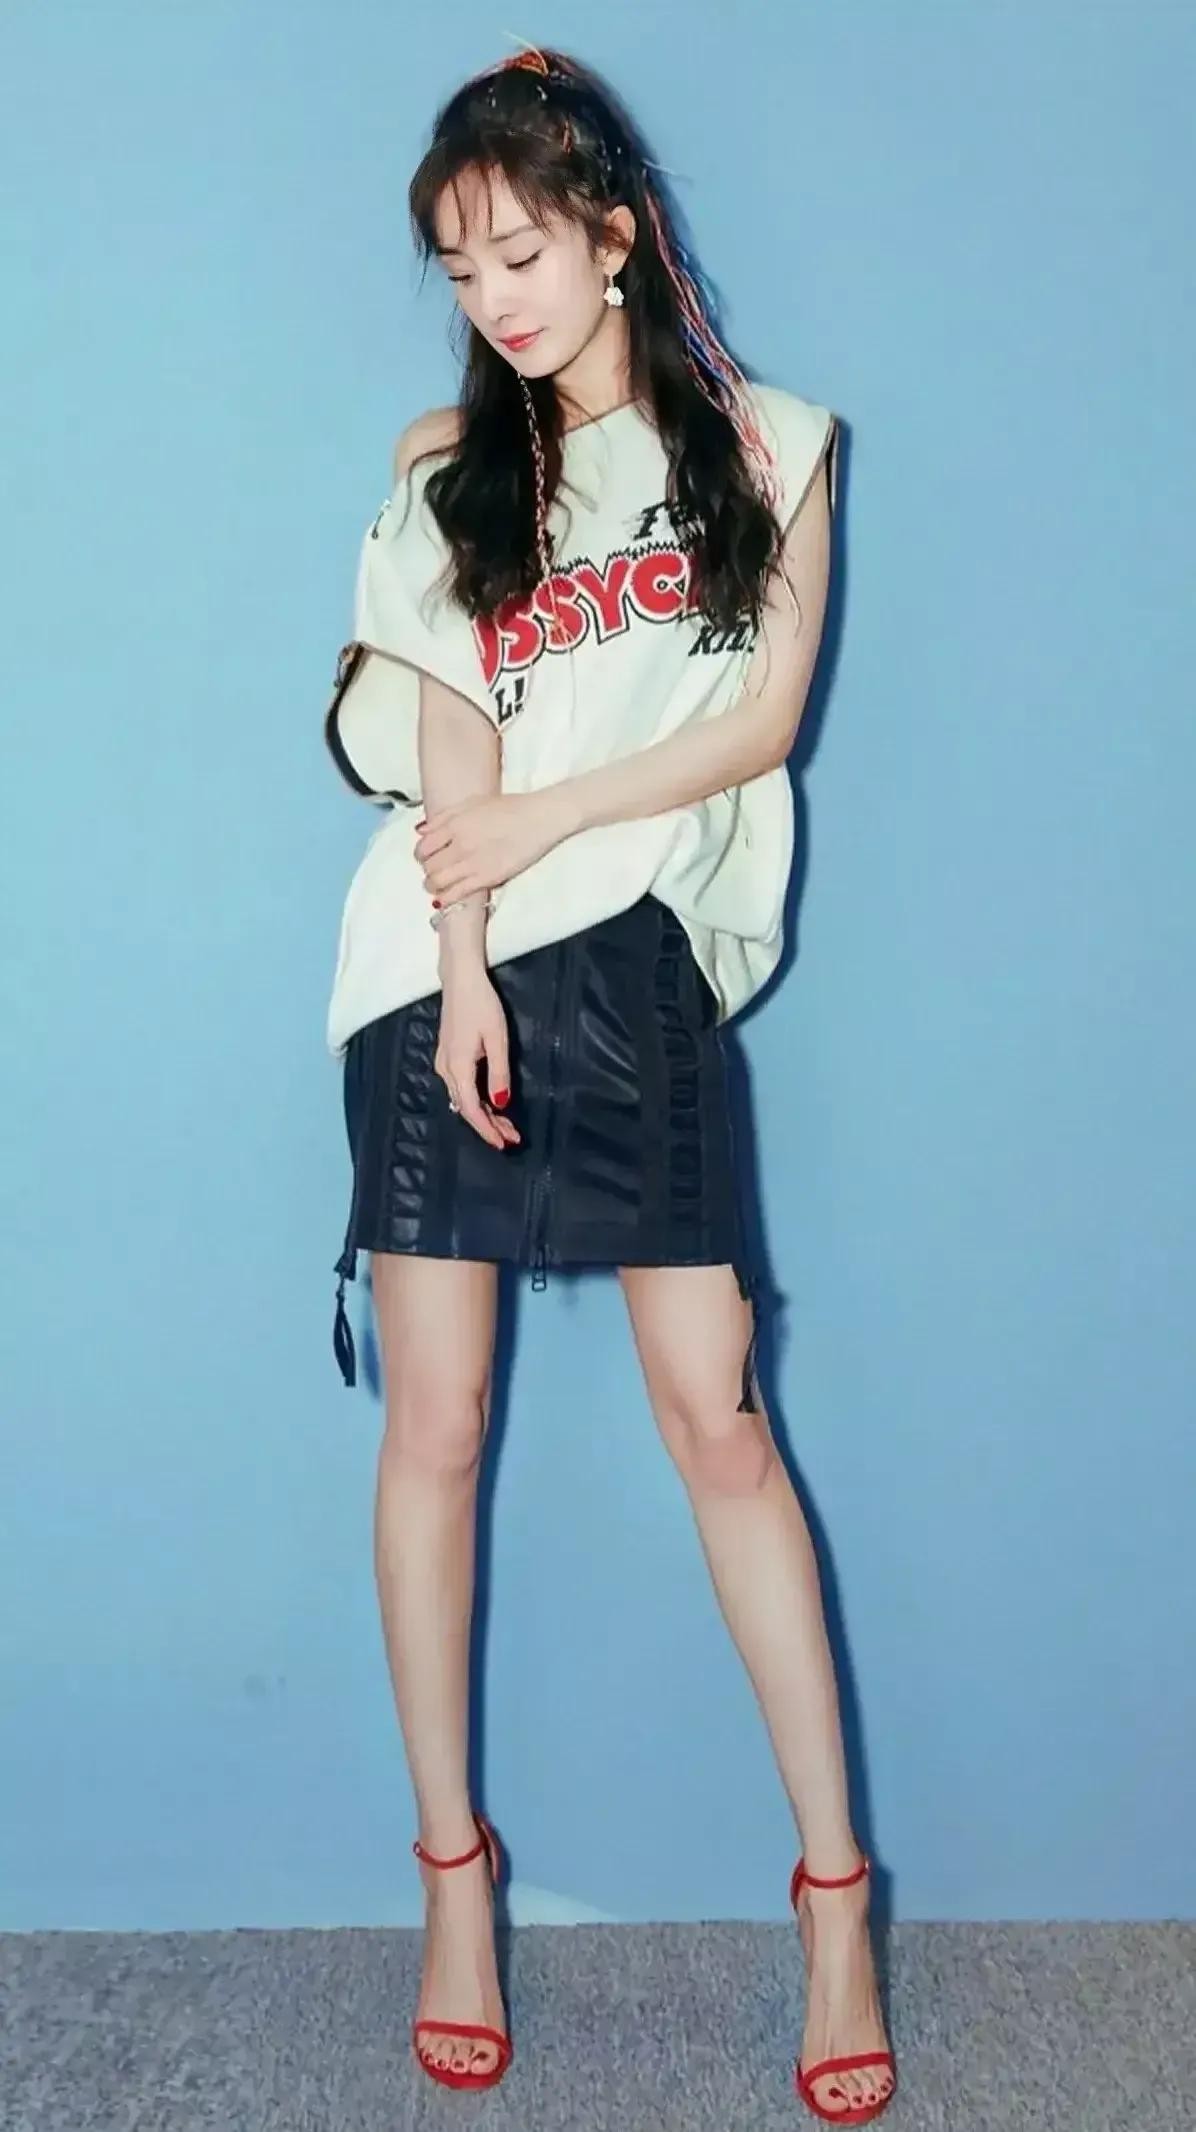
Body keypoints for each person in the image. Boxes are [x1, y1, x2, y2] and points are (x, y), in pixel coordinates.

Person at [322, 43, 896, 2126]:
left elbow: (756, 724)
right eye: (460, 266)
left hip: (638, 956)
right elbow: (444, 735)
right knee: (436, 1424)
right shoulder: (444, 464)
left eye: (524, 251)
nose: (494, 297)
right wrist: (467, 959)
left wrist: (558, 823)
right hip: (438, 962)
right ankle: (453, 1884)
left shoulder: (767, 445)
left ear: (617, 233)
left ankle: (836, 1901)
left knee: (716, 1420)